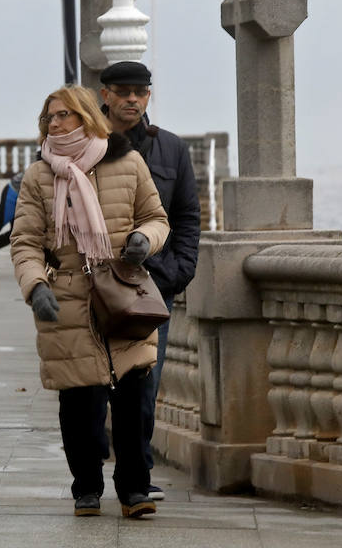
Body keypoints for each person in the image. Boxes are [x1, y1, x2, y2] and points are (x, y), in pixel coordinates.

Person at [10, 85, 169, 519]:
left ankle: (135, 490)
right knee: (79, 405)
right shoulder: (38, 176)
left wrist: (144, 240)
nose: (55, 124)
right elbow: (24, 242)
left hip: (123, 296)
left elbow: (157, 219)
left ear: (85, 116)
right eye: (49, 118)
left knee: (134, 401)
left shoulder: (128, 162)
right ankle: (86, 487)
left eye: (64, 115)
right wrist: (35, 286)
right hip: (67, 302)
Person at [99, 61, 201, 501]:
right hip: (96, 286)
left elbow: (186, 216)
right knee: (94, 388)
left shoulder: (172, 150)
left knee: (145, 385)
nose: (131, 99)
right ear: (105, 94)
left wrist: (180, 270)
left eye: (139, 92)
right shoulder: (86, 146)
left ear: (149, 96)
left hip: (153, 289)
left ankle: (136, 476)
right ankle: (88, 479)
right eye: (122, 91)